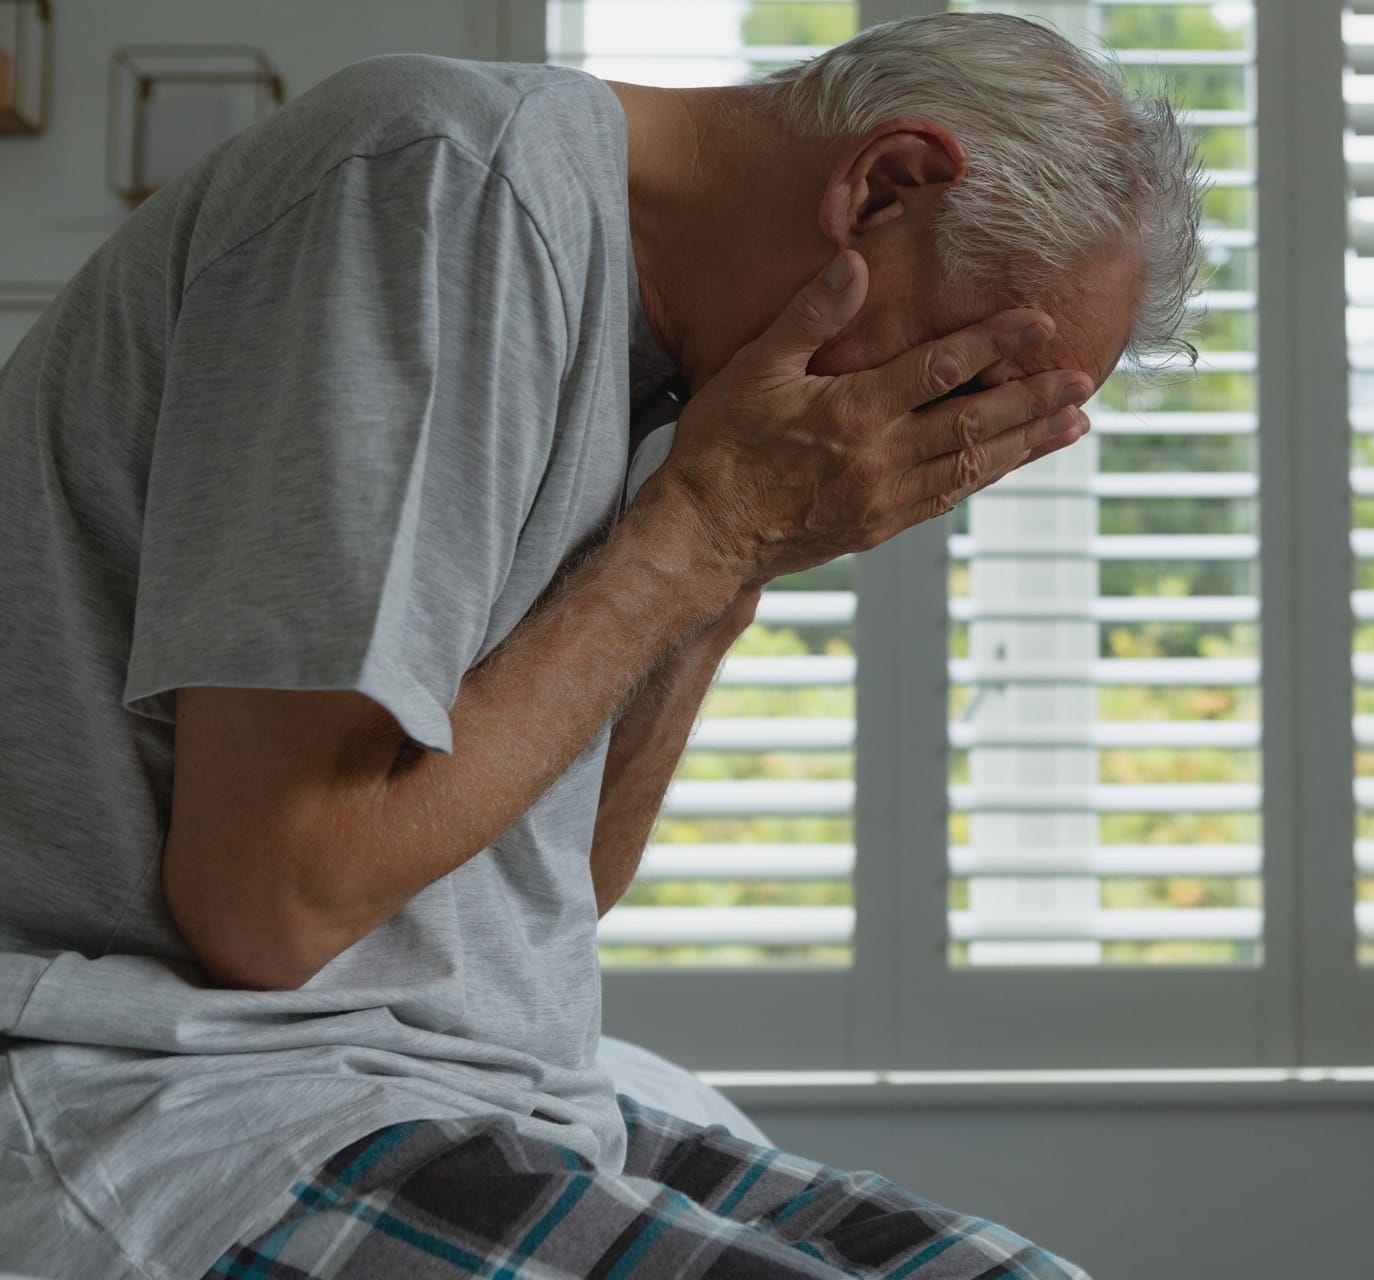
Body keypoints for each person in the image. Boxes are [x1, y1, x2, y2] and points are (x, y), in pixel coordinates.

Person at [0, 12, 1201, 1279]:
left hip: (481, 1094)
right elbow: (273, 904)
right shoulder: (448, 187)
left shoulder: (690, 371)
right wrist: (702, 530)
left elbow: (556, 892)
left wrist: (735, 570)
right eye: (964, 375)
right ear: (886, 188)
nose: (938, 432)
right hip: (172, 1088)